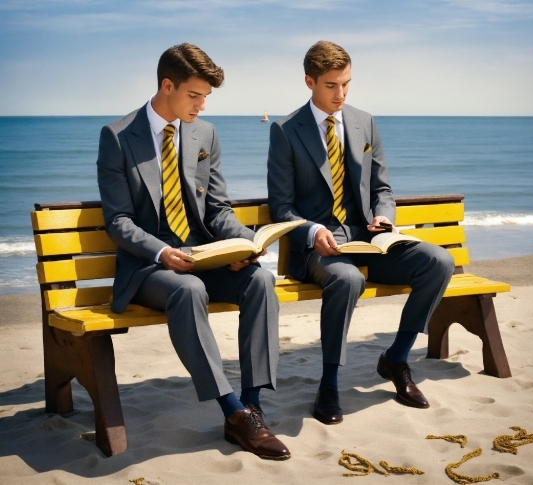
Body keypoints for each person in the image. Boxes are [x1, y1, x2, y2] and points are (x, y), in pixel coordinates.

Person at [97, 43, 290, 460]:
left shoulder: (206, 133)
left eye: (207, 97)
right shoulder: (117, 136)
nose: (202, 105)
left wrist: (244, 243)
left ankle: (251, 401)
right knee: (188, 291)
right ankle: (233, 412)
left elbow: (217, 208)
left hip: (203, 256)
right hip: (151, 268)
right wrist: (163, 254)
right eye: (194, 95)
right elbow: (118, 222)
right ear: (167, 85)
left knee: (259, 280)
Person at [267, 40, 454, 424]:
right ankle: (330, 382)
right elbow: (281, 207)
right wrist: (313, 230)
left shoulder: (364, 121)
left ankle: (397, 360)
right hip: (321, 249)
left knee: (439, 261)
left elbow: (382, 188)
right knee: (348, 280)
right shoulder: (285, 131)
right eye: (332, 85)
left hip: (369, 239)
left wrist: (384, 218)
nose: (341, 93)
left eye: (347, 84)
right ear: (310, 82)